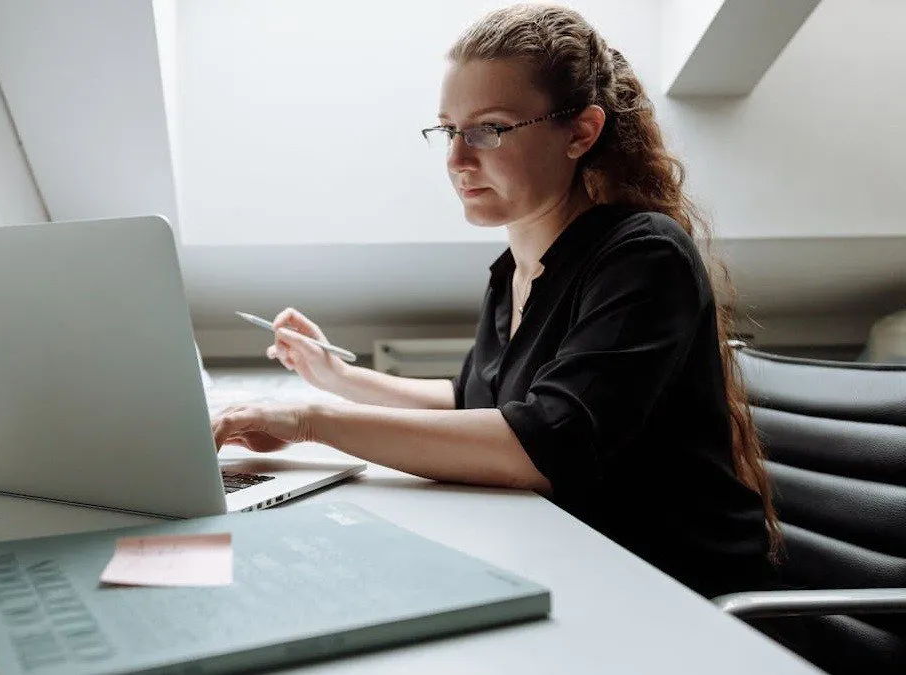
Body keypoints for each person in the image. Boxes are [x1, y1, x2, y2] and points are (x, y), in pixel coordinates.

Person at [210, 3, 781, 599]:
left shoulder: (644, 256)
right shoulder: (514, 267)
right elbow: (476, 402)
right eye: (448, 129)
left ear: (581, 132)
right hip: (573, 562)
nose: (457, 159)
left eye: (489, 129)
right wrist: (335, 378)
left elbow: (539, 445)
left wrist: (312, 422)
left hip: (680, 595)